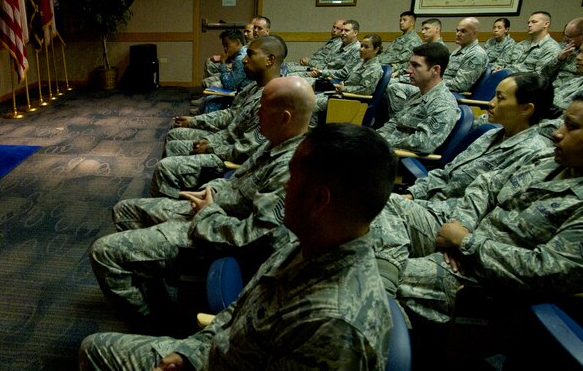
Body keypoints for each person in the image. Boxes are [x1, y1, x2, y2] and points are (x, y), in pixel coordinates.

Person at [81, 123, 397, 371]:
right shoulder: (307, 245)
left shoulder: (334, 327)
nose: (285, 185)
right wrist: (189, 353)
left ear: (318, 199)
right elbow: (240, 312)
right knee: (94, 347)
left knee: (95, 352)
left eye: (292, 177)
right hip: (215, 355)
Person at [373, 87, 583, 324]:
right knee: (383, 204)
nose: (557, 134)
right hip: (465, 235)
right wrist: (461, 226)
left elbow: (545, 271)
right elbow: (486, 184)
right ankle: (384, 300)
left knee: (364, 272)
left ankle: (383, 307)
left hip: (485, 283)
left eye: (571, 126)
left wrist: (466, 244)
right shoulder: (550, 160)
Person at [89, 76, 314, 329]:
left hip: (216, 239)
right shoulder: (275, 144)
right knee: (126, 211)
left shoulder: (291, 167)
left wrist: (209, 213)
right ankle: (159, 302)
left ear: (284, 117)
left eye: (263, 108)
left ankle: (153, 328)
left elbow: (256, 238)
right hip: (212, 213)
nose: (257, 113)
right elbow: (236, 181)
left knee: (104, 252)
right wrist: (211, 190)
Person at [152, 36, 286, 198]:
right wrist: (199, 126)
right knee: (174, 139)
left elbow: (245, 150)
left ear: (269, 60)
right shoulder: (254, 87)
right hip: (224, 143)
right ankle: (175, 198)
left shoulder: (272, 101)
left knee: (164, 167)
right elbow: (231, 117)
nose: (244, 60)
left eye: (250, 55)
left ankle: (177, 206)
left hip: (232, 160)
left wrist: (210, 147)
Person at [400, 72, 557, 203]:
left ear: (526, 109)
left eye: (500, 98)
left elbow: (484, 209)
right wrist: (412, 195)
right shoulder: (491, 135)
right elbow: (446, 174)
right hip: (430, 202)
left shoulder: (531, 154)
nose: (491, 103)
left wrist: (413, 206)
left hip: (450, 218)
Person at [377, 43, 459, 154]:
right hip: (386, 149)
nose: (409, 70)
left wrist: (383, 143)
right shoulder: (418, 94)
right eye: (410, 65)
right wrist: (376, 137)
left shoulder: (444, 104)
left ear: (435, 69)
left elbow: (424, 144)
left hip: (401, 157)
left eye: (416, 66)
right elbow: (395, 122)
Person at [312, 34, 384, 118]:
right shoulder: (361, 62)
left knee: (311, 105)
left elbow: (366, 90)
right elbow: (349, 78)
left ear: (376, 49)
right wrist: (343, 84)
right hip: (342, 95)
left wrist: (343, 88)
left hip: (352, 101)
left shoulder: (374, 68)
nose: (361, 49)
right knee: (309, 98)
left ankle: (310, 127)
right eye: (361, 46)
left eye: (366, 47)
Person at [196, 29, 249, 113]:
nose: (225, 49)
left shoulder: (240, 59)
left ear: (237, 42)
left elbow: (228, 85)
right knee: (208, 99)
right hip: (243, 90)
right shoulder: (245, 51)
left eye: (227, 45)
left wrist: (222, 63)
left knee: (211, 101)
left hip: (242, 96)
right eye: (223, 46)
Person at [542, 16, 583, 90]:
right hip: (552, 88)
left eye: (569, 37)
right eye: (564, 35)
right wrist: (559, 59)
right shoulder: (565, 47)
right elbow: (544, 72)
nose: (564, 39)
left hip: (572, 91)